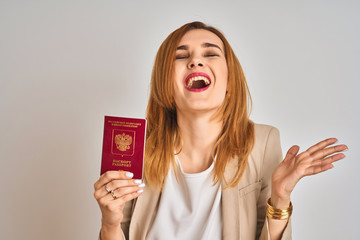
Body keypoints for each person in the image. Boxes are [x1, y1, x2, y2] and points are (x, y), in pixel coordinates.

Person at [93, 21, 348, 240]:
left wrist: (280, 197)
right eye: (181, 56)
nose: (195, 61)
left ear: (229, 81)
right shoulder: (135, 148)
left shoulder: (263, 142)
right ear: (166, 85)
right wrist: (109, 224)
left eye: (211, 54)